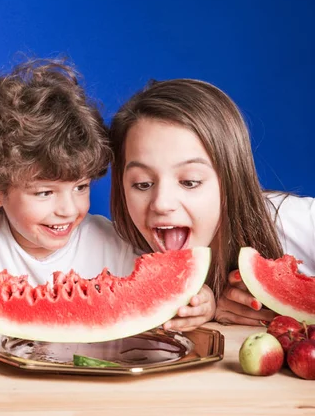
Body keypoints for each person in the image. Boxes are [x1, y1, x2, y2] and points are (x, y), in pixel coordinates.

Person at [0, 59, 209, 331]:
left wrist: (200, 301)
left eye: (81, 187)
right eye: (45, 192)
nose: (68, 208)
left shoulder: (111, 243)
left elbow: (161, 290)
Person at [109, 78, 314, 328]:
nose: (161, 204)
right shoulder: (121, 257)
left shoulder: (294, 221)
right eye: (142, 184)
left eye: (190, 182)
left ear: (230, 181)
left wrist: (295, 305)